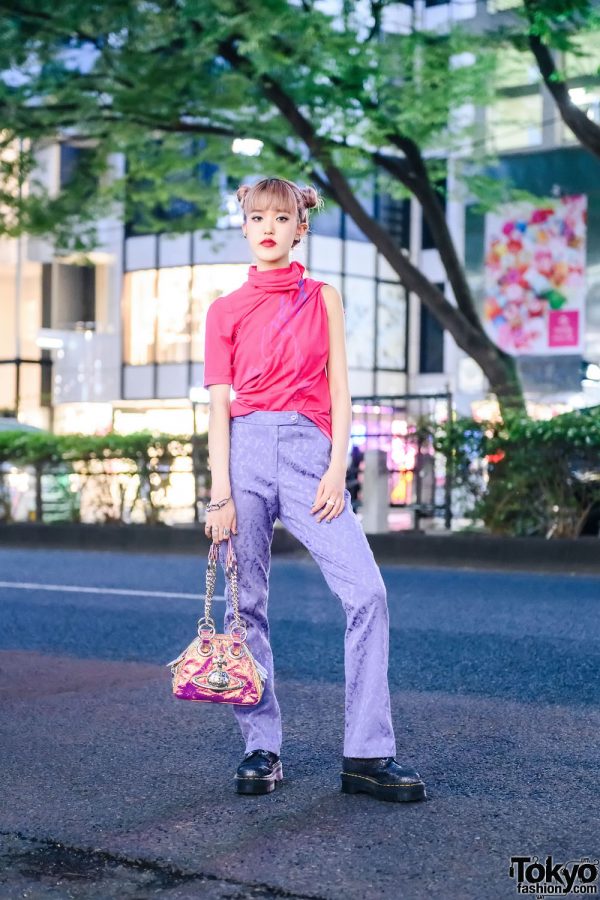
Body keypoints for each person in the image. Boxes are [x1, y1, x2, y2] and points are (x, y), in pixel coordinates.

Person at [202, 176, 426, 803]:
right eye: (256, 216)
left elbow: (341, 390)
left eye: (281, 216)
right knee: (245, 608)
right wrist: (219, 491)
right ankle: (260, 747)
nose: (268, 226)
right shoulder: (223, 311)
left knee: (368, 593)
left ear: (301, 226)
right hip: (242, 454)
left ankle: (366, 753)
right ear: (244, 226)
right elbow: (219, 407)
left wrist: (336, 468)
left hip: (309, 456)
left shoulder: (323, 296)